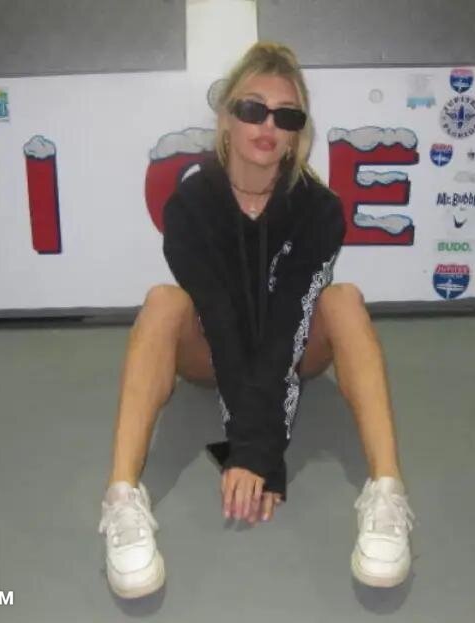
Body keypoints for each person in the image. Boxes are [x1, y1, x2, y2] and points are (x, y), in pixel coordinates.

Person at [98, 42, 416, 600]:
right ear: (226, 118)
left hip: (296, 349)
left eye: (286, 116)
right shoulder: (190, 207)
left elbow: (289, 324)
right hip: (208, 353)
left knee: (343, 300)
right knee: (163, 303)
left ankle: (388, 492)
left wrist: (258, 453)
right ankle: (121, 498)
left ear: (297, 133)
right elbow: (220, 323)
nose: (268, 126)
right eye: (252, 109)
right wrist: (248, 448)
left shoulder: (317, 210)